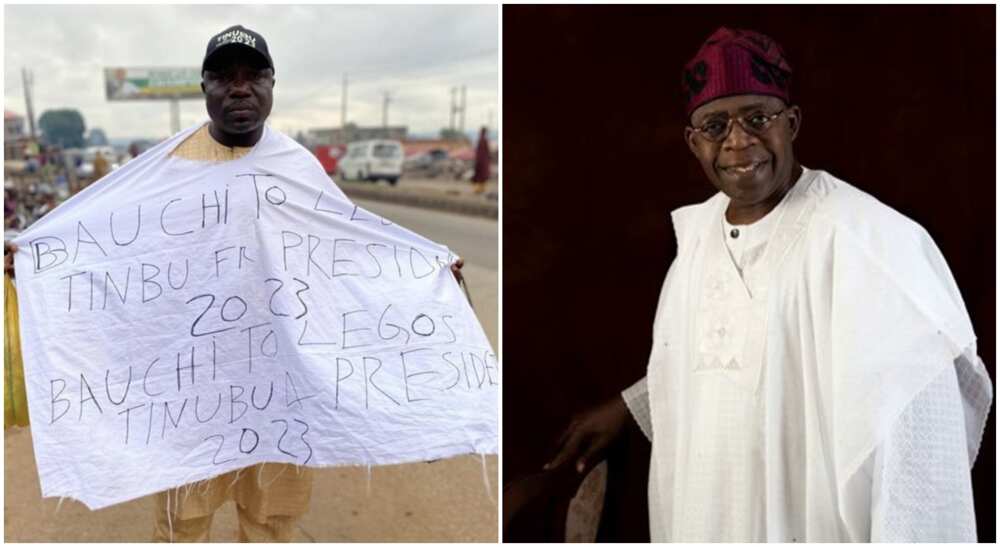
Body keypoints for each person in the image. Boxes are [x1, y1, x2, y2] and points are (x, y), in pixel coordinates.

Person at [4, 23, 464, 542]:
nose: (239, 88)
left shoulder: (297, 168)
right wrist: (40, 260)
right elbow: (106, 251)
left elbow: (352, 251)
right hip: (193, 398)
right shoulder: (163, 173)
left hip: (282, 394)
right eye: (224, 77)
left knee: (272, 521)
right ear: (205, 88)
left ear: (272, 85)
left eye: (254, 75)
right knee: (185, 525)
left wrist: (425, 271)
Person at [544, 27, 991, 542]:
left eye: (758, 117)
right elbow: (715, 370)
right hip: (704, 516)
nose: (739, 141)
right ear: (694, 142)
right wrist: (633, 406)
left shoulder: (870, 242)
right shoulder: (697, 239)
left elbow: (916, 422)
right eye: (716, 125)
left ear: (792, 123)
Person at [472, 126, 490, 194]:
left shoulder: (482, 140)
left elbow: (484, 151)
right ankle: (478, 189)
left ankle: (480, 189)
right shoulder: (483, 140)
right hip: (482, 160)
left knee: (481, 175)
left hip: (481, 160)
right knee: (481, 175)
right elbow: (486, 151)